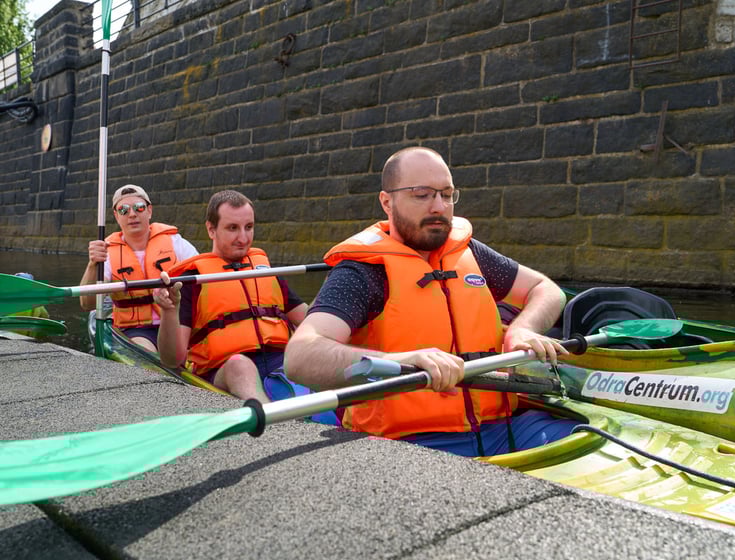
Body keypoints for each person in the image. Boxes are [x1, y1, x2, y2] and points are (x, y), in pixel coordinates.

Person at [284, 146, 578, 457]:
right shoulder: (364, 271)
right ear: (387, 201)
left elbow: (547, 290)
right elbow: (301, 356)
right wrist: (405, 360)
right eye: (422, 195)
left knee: (597, 447)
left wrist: (522, 330)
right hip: (410, 443)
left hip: (501, 427)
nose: (439, 206)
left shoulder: (469, 252)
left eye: (446, 194)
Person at [154, 190, 308, 403]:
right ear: (211, 229)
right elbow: (172, 359)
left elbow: (308, 320)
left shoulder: (262, 268)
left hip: (278, 361)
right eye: (232, 228)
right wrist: (170, 310)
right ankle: (271, 419)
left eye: (249, 227)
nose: (243, 238)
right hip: (223, 369)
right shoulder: (191, 280)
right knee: (240, 365)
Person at [80, 185, 199, 353]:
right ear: (116, 216)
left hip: (178, 321)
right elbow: (87, 303)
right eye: (124, 210)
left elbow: (203, 278)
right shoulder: (107, 252)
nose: (132, 214)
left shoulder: (175, 242)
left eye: (139, 208)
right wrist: (93, 264)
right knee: (145, 349)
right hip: (138, 330)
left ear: (149, 211)